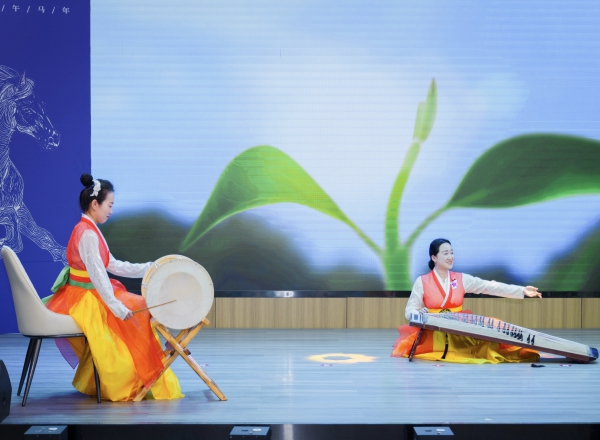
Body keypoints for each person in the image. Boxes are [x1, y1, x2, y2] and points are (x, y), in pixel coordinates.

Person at [46, 174, 183, 401]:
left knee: (139, 304)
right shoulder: (87, 234)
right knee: (139, 306)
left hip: (93, 290)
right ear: (95, 204)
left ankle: (146, 370)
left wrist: (148, 267)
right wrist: (117, 306)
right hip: (86, 295)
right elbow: (99, 276)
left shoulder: (89, 228)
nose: (111, 210)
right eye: (109, 205)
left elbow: (112, 264)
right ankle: (140, 374)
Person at [391, 238, 542, 364]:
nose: (450, 257)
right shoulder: (422, 281)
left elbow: (489, 286)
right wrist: (419, 314)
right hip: (433, 333)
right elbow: (409, 310)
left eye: (452, 253)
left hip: (458, 329)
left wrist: (521, 290)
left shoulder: (461, 279)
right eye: (445, 253)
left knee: (494, 331)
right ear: (434, 258)